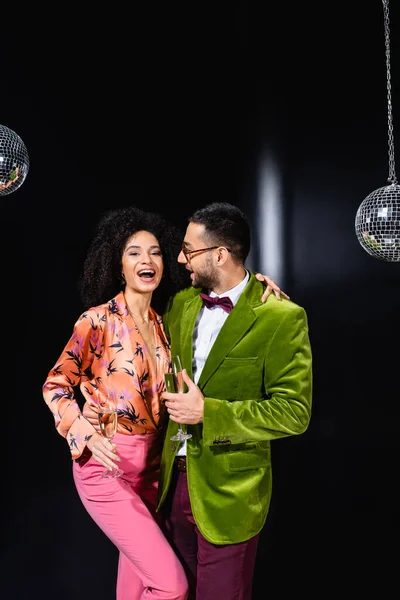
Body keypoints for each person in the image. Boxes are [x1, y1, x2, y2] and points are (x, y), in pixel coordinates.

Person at [42, 205, 284, 600]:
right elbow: (55, 384)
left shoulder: (169, 317)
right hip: (108, 468)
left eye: (155, 251)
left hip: (156, 472)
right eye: (134, 252)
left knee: (137, 582)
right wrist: (83, 431)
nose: (148, 260)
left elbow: (228, 285)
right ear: (118, 265)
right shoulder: (97, 321)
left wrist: (255, 283)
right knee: (171, 586)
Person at [157, 202, 313, 600]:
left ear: (220, 255)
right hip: (173, 487)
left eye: (188, 250)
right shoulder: (180, 305)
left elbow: (294, 413)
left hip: (231, 495)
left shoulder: (281, 317)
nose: (179, 258)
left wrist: (208, 412)